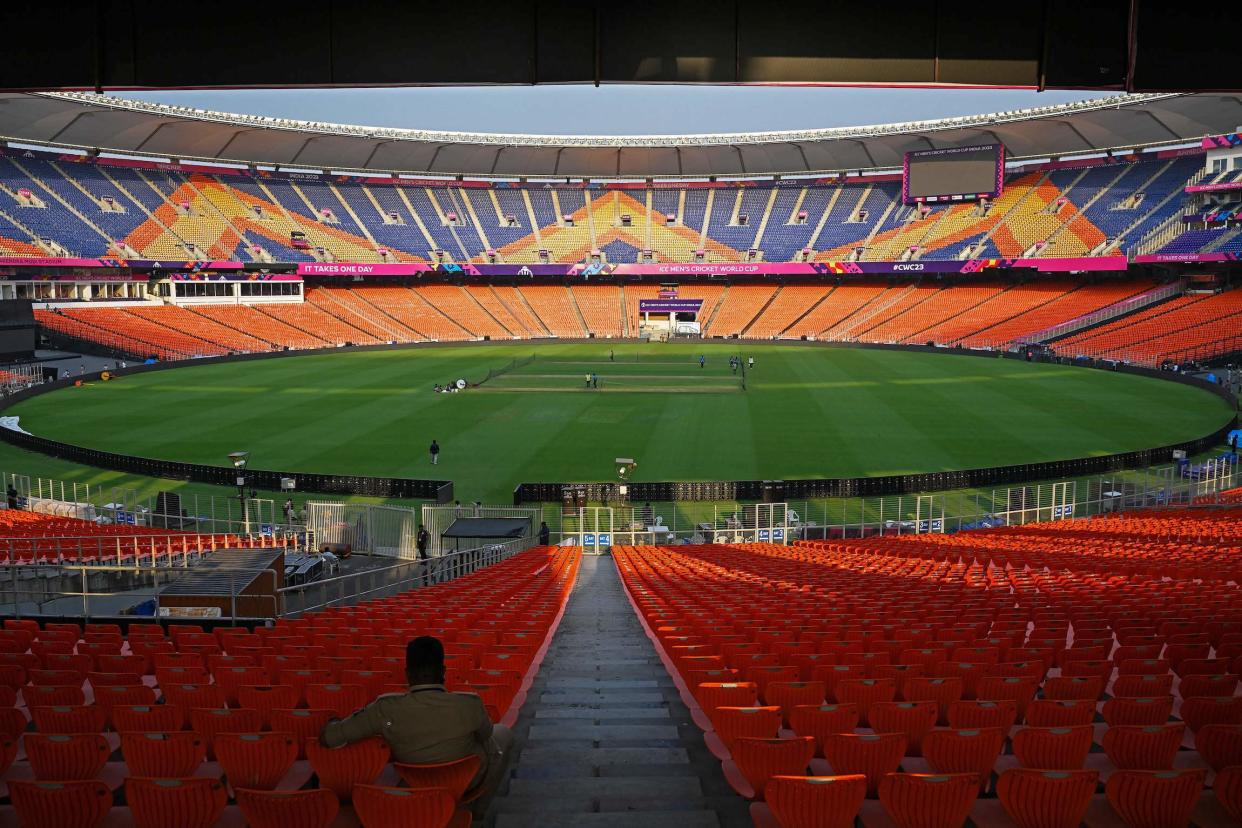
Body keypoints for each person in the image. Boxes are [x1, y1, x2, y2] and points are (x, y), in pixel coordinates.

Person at [319, 636, 514, 819]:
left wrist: (333, 721)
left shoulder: (385, 708)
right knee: (502, 735)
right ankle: (478, 812)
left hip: (415, 781)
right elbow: (486, 734)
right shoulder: (468, 704)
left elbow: (329, 738)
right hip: (466, 780)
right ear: (443, 671)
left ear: (407, 673)